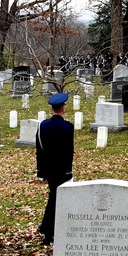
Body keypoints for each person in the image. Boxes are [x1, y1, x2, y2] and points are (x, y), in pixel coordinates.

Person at [36, 92, 74, 245]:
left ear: (52, 109)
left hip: (49, 170)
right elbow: (68, 152)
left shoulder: (43, 126)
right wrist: (68, 172)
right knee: (56, 199)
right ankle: (47, 229)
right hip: (62, 170)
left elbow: (40, 150)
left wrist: (41, 172)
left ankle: (49, 231)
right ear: (63, 109)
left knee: (55, 197)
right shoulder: (67, 127)